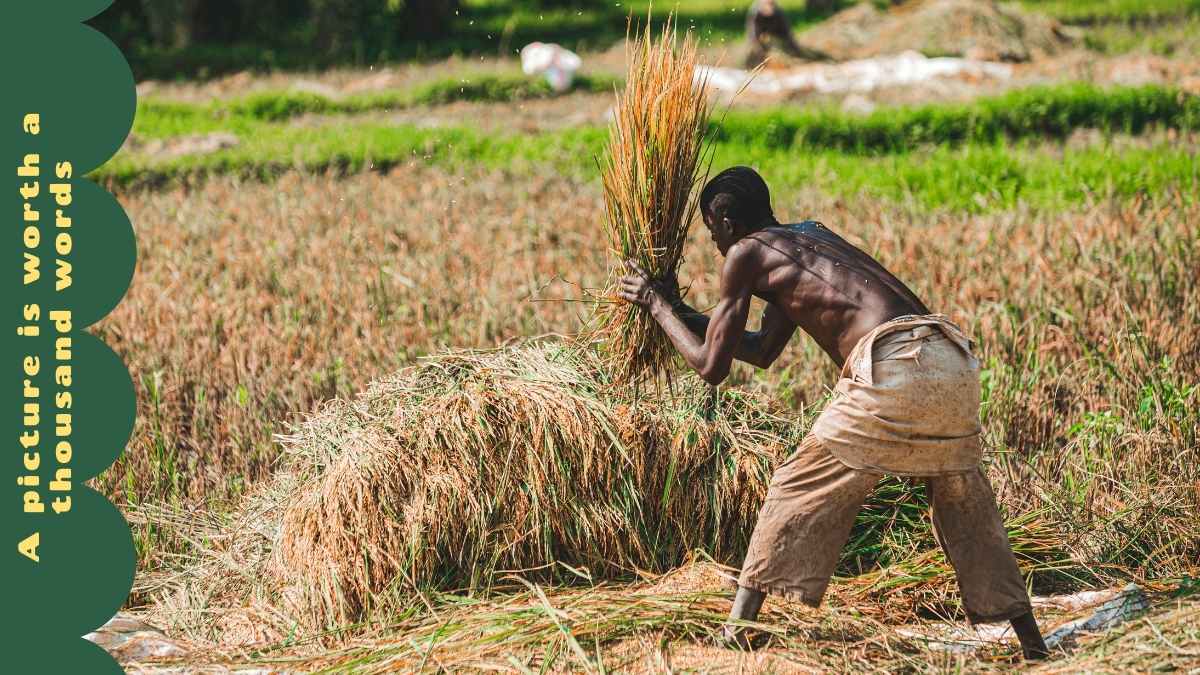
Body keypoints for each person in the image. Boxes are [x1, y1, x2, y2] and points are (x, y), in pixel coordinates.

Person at [618, 166, 1050, 659]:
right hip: (949, 358)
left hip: (893, 365)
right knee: (966, 508)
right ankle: (1032, 643)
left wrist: (655, 304)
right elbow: (759, 350)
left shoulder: (743, 253)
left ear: (725, 221)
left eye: (711, 230)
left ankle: (737, 634)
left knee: (794, 487)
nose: (715, 243)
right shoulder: (809, 238)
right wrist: (680, 310)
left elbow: (710, 365)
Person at [745, 0, 832, 68]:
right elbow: (753, 34)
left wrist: (793, 47)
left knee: (792, 51)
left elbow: (787, 33)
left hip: (777, 36)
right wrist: (758, 46)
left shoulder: (778, 13)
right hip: (761, 38)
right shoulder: (755, 13)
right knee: (756, 52)